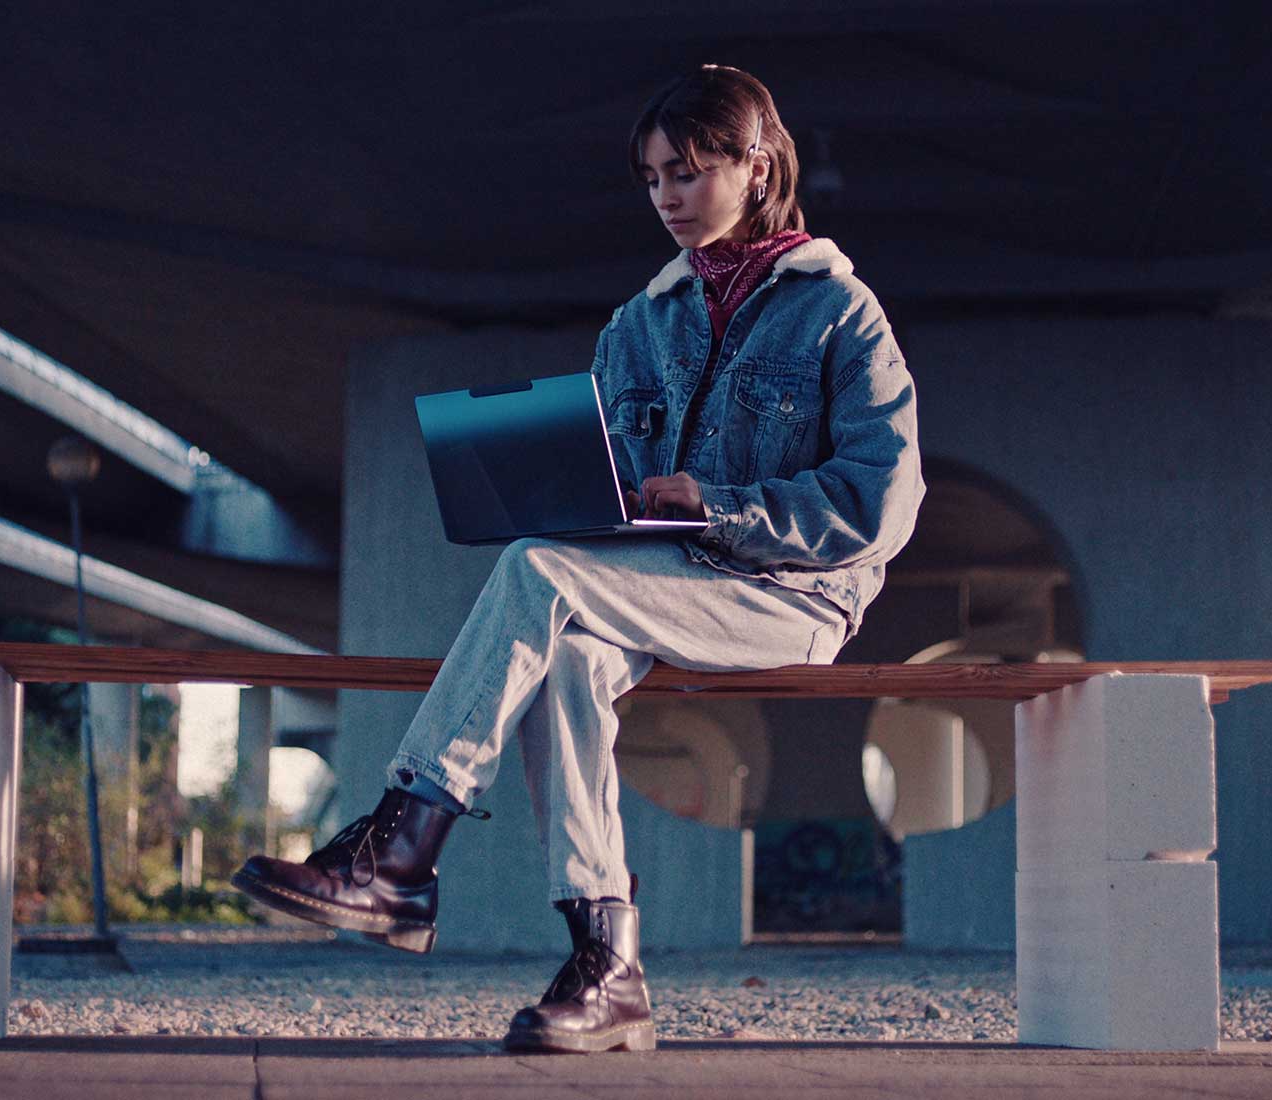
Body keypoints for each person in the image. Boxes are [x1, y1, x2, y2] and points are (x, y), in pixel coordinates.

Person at [233, 63, 924, 1054]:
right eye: (651, 179)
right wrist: (566, 493)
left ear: (756, 164)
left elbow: (879, 505)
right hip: (654, 586)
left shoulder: (841, 316)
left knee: (537, 569)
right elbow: (608, 481)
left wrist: (722, 504)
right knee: (566, 646)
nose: (668, 198)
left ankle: (404, 842)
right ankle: (607, 963)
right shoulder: (637, 326)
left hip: (788, 594)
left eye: (687, 170)